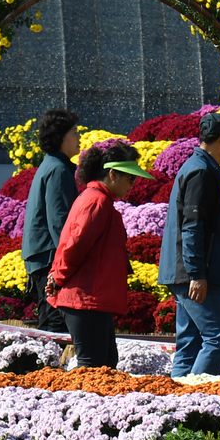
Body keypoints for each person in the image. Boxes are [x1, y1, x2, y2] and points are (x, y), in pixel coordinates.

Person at [47, 144, 154, 369]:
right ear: (113, 174)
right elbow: (76, 245)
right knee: (93, 367)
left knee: (104, 366)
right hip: (85, 299)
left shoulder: (97, 200)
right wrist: (57, 278)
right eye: (130, 179)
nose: (132, 185)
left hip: (92, 299)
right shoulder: (97, 201)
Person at [158, 112, 220, 377]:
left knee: (189, 345)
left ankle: (176, 405)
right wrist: (197, 273)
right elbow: (193, 226)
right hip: (196, 274)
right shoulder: (202, 172)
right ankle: (196, 403)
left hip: (186, 273)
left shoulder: (194, 167)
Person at [20, 109, 80, 334]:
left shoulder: (51, 165)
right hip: (50, 257)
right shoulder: (58, 169)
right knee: (55, 323)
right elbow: (60, 222)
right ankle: (48, 369)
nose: (79, 137)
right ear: (60, 138)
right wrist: (70, 260)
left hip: (43, 256)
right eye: (74, 132)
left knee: (51, 320)